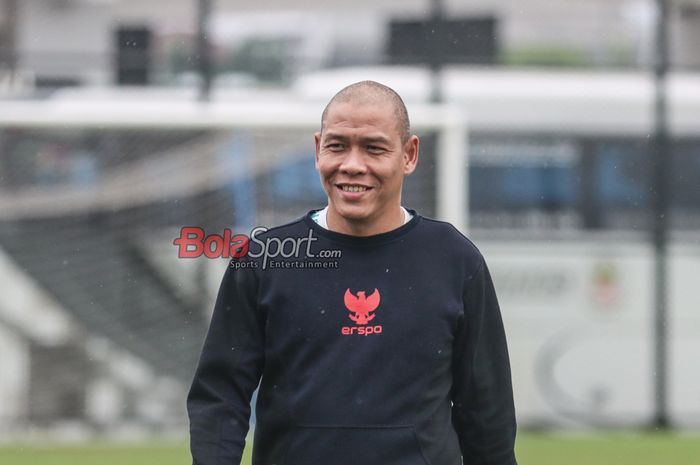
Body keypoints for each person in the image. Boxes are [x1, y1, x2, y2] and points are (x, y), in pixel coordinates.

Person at [187, 81, 518, 465]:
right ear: (317, 149)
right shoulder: (264, 259)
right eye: (337, 145)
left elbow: (486, 413)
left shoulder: (455, 260)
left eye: (374, 148)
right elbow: (221, 396)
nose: (352, 165)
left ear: (409, 155)